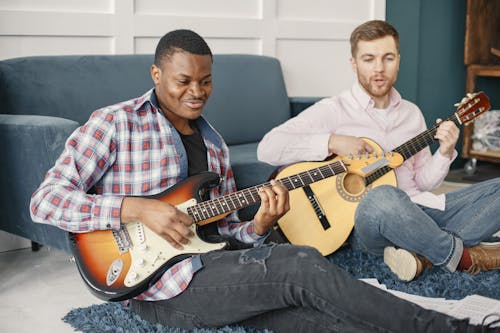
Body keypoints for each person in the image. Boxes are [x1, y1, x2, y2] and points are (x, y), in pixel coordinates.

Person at [30, 29, 498, 333]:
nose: (196, 92)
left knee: (319, 316)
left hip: (204, 270)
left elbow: (229, 229)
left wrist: (257, 227)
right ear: (156, 74)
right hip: (153, 289)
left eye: (206, 82)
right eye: (182, 81)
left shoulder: (214, 146)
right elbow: (46, 202)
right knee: (299, 264)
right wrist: (135, 208)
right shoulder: (115, 123)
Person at [258, 20, 500, 283]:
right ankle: (461, 257)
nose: (379, 69)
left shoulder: (412, 114)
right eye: (368, 59)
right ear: (353, 63)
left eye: (388, 58)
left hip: (420, 209)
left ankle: (423, 253)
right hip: (370, 221)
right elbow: (268, 148)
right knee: (384, 196)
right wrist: (332, 141)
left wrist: (445, 150)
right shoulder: (334, 109)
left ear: (398, 60)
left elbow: (423, 182)